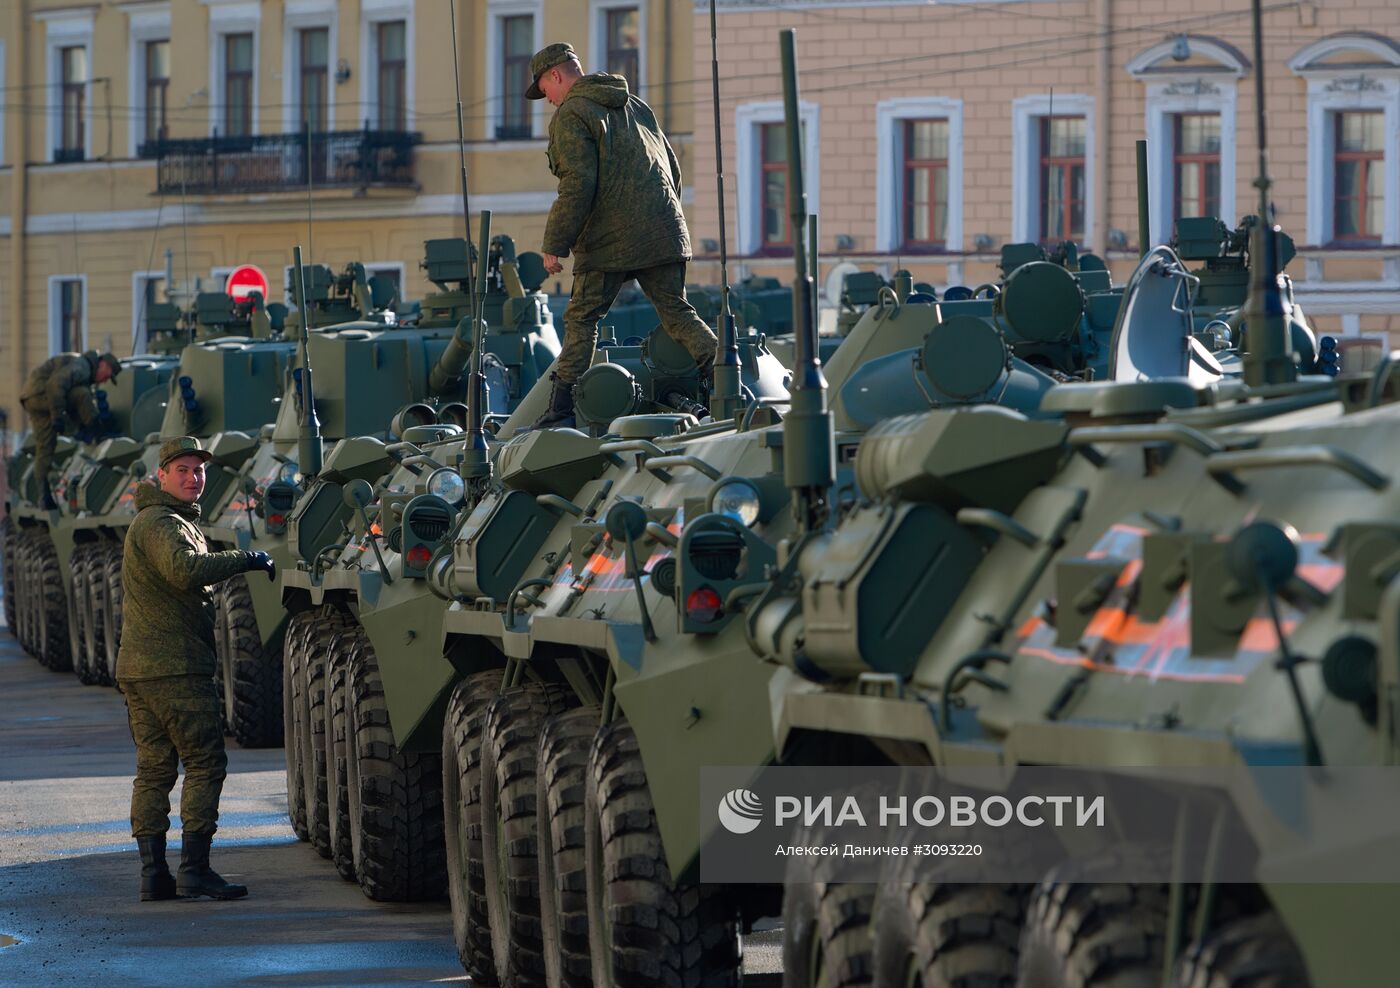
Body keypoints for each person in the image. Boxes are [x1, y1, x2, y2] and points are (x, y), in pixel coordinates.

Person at [116, 436, 277, 901]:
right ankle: (194, 869)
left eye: (199, 471)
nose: (193, 478)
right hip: (174, 669)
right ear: (161, 475)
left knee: (154, 770)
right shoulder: (161, 523)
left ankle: (154, 875)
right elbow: (184, 570)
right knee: (205, 762)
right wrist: (244, 558)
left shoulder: (160, 520)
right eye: (182, 470)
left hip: (143, 668)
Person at [527, 42, 718, 428]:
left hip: (609, 240)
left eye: (544, 90)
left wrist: (554, 245)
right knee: (678, 313)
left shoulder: (572, 113)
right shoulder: (635, 105)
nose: (546, 99)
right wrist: (660, 222)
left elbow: (578, 183)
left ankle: (560, 412)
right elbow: (672, 169)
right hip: (664, 229)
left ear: (556, 76)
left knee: (581, 319)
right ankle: (726, 382)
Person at [19, 350, 121, 509]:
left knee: (45, 447)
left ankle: (44, 497)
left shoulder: (80, 365)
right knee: (82, 394)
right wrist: (58, 416)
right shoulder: (82, 366)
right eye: (107, 375)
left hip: (31, 397)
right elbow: (56, 384)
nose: (105, 380)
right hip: (41, 393)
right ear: (102, 365)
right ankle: (97, 433)